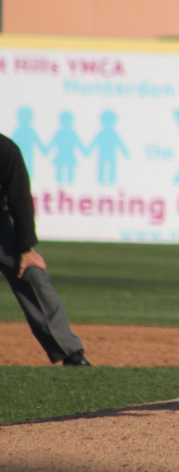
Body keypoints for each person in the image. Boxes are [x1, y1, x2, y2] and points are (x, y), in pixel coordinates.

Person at [0, 133, 91, 366]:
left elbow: (19, 197)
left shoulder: (5, 148)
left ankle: (70, 353)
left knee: (33, 275)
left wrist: (25, 248)